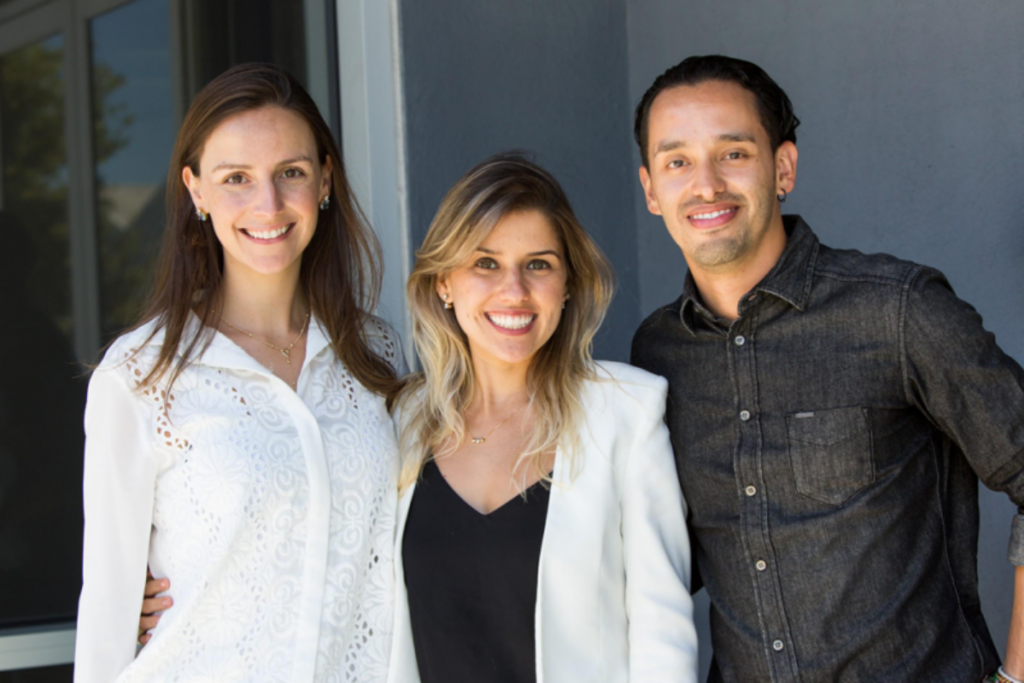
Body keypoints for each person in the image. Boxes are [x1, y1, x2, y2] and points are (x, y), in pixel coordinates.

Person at [629, 54, 1024, 683]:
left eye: (733, 153)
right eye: (677, 161)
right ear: (652, 189)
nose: (705, 185)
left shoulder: (898, 310)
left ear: (782, 166)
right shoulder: (657, 352)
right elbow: (664, 555)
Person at [75, 63, 404, 683]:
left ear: (325, 178)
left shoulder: (376, 355)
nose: (268, 204)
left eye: (291, 173)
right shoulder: (142, 378)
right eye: (236, 178)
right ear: (195, 190)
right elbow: (108, 615)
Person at [386, 154, 698, 683]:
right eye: (485, 263)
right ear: (443, 283)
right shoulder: (401, 422)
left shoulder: (625, 414)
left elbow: (661, 633)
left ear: (568, 284)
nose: (514, 291)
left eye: (538, 264)